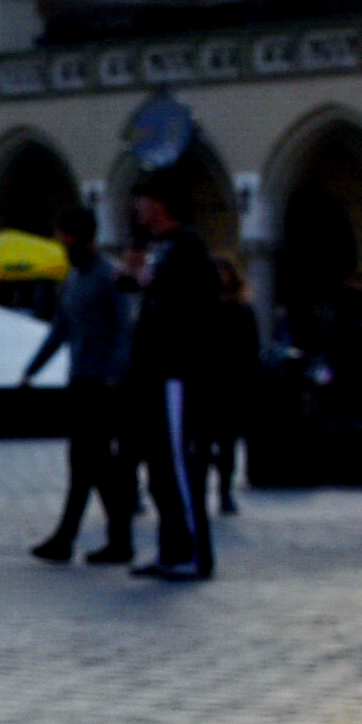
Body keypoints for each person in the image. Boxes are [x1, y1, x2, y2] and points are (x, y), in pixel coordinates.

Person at [133, 232, 250, 582]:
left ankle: (193, 551)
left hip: (190, 384)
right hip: (169, 380)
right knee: (164, 470)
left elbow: (237, 354)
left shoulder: (224, 309)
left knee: (183, 466)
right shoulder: (182, 294)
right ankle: (174, 550)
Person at [21, 231, 141, 565]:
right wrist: (32, 369)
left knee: (92, 463)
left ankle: (85, 540)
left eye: (70, 242)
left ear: (88, 240)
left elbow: (124, 328)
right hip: (80, 379)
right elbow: (61, 329)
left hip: (103, 384)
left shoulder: (109, 276)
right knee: (89, 464)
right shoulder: (73, 279)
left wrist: (118, 372)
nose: (66, 249)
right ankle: (102, 539)